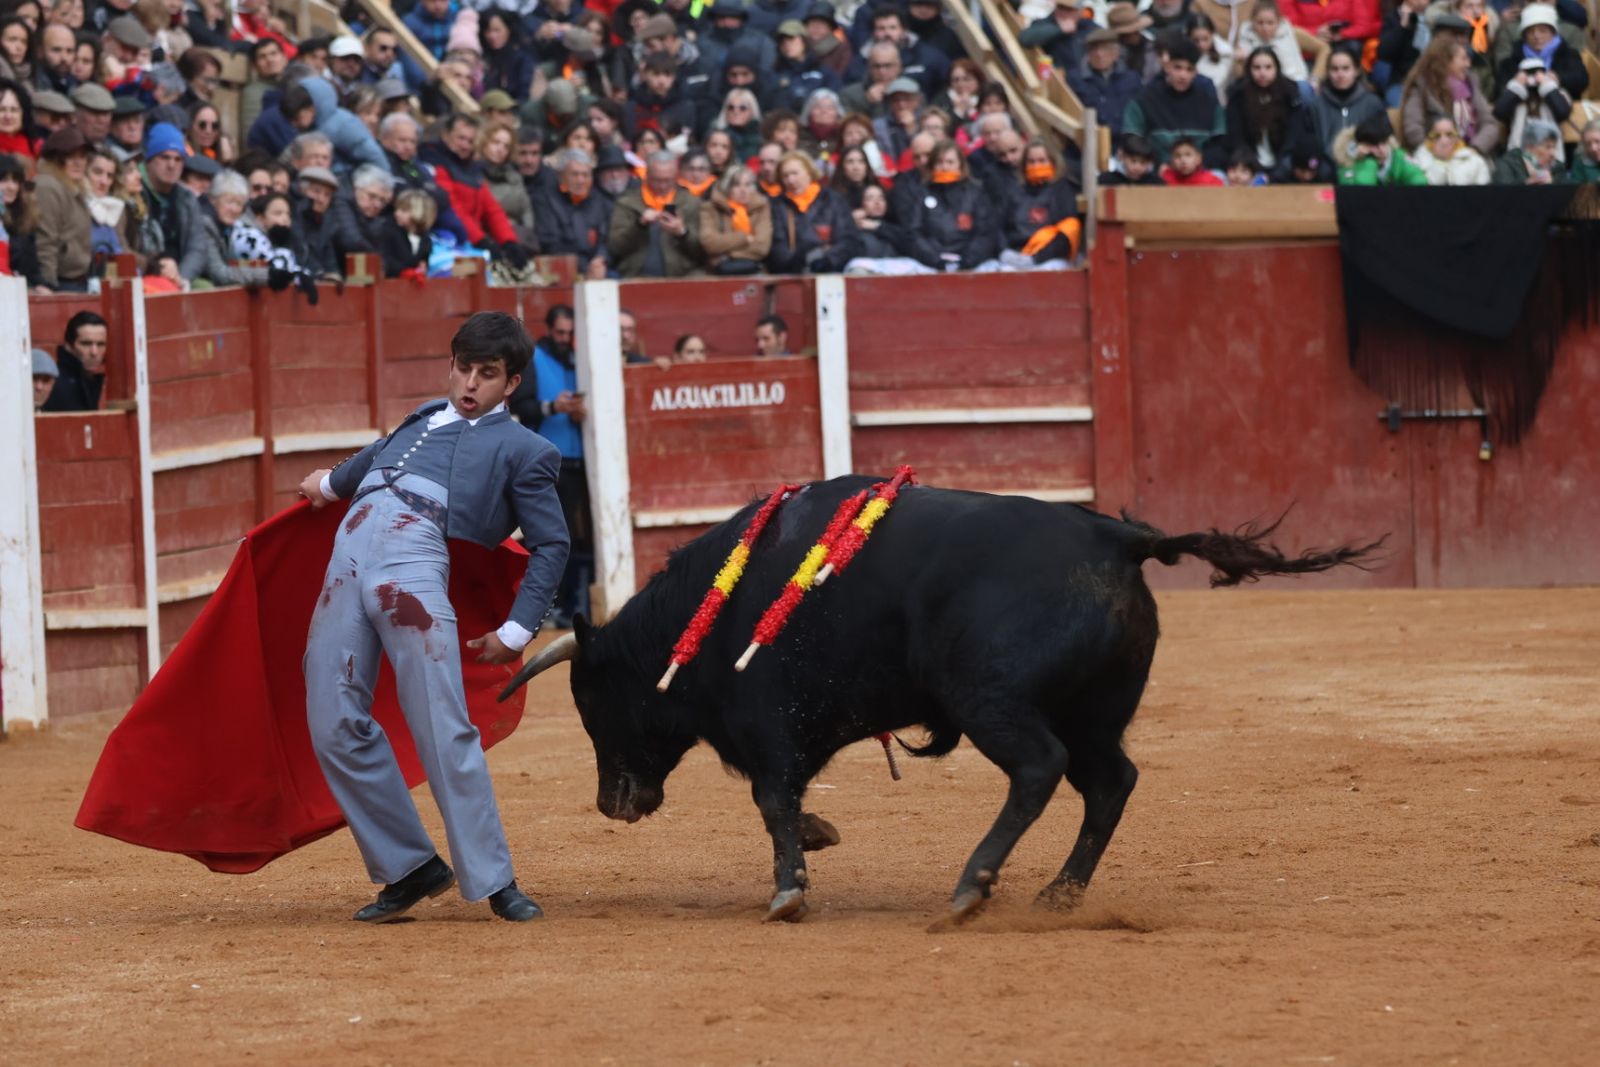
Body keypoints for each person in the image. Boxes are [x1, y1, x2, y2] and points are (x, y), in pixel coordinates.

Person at [296, 311, 565, 925]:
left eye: (487, 374)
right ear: (451, 365)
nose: (470, 383)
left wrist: (517, 630)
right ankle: (409, 867)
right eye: (463, 368)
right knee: (331, 719)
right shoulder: (422, 415)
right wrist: (330, 484)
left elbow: (552, 544)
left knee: (441, 723)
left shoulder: (528, 450)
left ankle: (495, 879)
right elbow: (376, 457)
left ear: (511, 383)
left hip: (414, 565)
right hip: (346, 561)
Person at [506, 304, 589, 629]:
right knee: (549, 538)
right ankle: (538, 608)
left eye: (569, 333)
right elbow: (522, 405)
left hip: (579, 462)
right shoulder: (535, 359)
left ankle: (566, 606)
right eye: (560, 332)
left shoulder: (578, 359)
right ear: (549, 330)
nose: (565, 338)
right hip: (547, 463)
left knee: (572, 539)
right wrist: (554, 407)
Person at [421, 112, 528, 266]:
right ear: (446, 135)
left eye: (470, 141)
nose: (465, 145)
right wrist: (480, 240)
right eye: (461, 138)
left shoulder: (471, 168)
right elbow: (453, 207)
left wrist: (508, 241)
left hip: (470, 241)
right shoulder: (435, 163)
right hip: (448, 241)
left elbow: (492, 209)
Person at [1122, 35, 1225, 163]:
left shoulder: (1208, 97)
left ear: (1196, 72)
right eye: (1177, 67)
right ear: (1167, 67)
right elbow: (1133, 138)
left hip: (1201, 168)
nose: (1183, 75)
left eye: (1189, 69)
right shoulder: (1146, 97)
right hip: (1158, 168)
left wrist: (1197, 165)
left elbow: (1219, 143)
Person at [1221, 46, 1318, 180]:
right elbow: (1237, 136)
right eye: (1257, 68)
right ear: (1249, 69)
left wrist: (1279, 166)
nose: (1262, 73)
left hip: (1283, 157)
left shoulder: (1290, 93)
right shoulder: (1238, 94)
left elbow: (1294, 135)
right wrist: (1251, 163)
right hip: (1248, 158)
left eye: (1268, 67)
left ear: (1277, 69)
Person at [607, 149, 703, 278]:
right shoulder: (627, 202)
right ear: (646, 175)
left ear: (676, 177)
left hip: (682, 278)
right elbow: (615, 247)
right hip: (636, 277)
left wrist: (682, 232)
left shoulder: (690, 202)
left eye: (668, 180)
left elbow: (702, 252)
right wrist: (639, 225)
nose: (662, 186)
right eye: (657, 180)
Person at [1399, 37, 1500, 155]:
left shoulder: (1471, 85)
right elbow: (1413, 129)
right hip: (1435, 157)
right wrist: (1435, 153)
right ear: (1445, 62)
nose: (1468, 64)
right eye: (1463, 59)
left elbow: (1490, 124)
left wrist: (1474, 149)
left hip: (1473, 156)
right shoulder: (1421, 87)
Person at [765, 149, 859, 274]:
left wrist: (828, 260)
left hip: (831, 271)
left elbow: (848, 239)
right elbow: (778, 247)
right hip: (794, 273)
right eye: (785, 175)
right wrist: (797, 262)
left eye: (795, 173)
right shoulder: (777, 205)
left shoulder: (833, 199)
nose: (791, 180)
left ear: (809, 172)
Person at [32, 125, 93, 291]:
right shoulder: (47, 186)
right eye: (70, 156)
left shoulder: (74, 187)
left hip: (77, 280)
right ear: (55, 159)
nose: (78, 162)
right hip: (59, 283)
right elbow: (45, 242)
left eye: (82, 156)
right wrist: (48, 285)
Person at [534, 148, 611, 278]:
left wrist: (600, 259)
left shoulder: (598, 201)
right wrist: (585, 268)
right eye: (575, 174)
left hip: (595, 270)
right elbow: (550, 244)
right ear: (561, 176)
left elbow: (605, 240)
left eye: (585, 175)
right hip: (561, 272)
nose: (581, 180)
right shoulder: (545, 200)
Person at [1493, 55, 1574, 164]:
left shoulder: (1556, 92)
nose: (1532, 77)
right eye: (1528, 73)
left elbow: (1563, 112)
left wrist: (1547, 86)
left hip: (1551, 156)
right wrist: (1517, 86)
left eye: (1536, 72)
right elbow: (1499, 112)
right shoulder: (1514, 95)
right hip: (1520, 155)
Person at [1309, 47, 1386, 159]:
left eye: (1346, 68)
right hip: (1326, 164)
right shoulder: (1316, 105)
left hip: (1364, 162)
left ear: (1356, 71)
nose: (1340, 74)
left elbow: (1384, 141)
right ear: (1328, 72)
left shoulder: (1373, 103)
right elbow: (1309, 146)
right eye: (1334, 69)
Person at [1069, 29, 1142, 137]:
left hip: (1125, 140)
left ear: (1116, 53)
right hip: (1090, 139)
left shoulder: (1132, 79)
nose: (1099, 54)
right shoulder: (1075, 79)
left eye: (1105, 48)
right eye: (1094, 49)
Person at [700, 164, 772, 275]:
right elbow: (709, 243)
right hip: (718, 273)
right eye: (737, 185)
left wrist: (727, 255)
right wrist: (745, 238)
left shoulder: (761, 207)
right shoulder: (711, 208)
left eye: (748, 185)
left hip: (753, 269)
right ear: (727, 187)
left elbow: (761, 247)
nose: (743, 190)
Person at [1335, 112, 1429, 184]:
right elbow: (1363, 191)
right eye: (1374, 145)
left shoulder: (1398, 158)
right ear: (1361, 146)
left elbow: (1420, 181)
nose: (1382, 150)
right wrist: (1368, 161)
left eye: (1383, 143)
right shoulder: (1348, 163)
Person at [41, 309, 107, 411]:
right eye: (86, 344)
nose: (94, 352)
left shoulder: (93, 381)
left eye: (100, 344)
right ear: (68, 346)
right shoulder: (54, 384)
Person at [1018, 0, 1099, 76]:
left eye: (1069, 10)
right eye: (1061, 7)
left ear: (1080, 12)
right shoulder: (1046, 23)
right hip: (1054, 79)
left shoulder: (1089, 28)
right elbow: (1025, 38)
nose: (1063, 12)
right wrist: (1059, 29)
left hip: (1083, 80)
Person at [1409, 116, 1491, 184]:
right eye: (1437, 136)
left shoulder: (1475, 161)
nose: (1444, 141)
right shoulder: (1419, 160)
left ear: (1457, 136)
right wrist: (1439, 160)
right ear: (1429, 139)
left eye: (1449, 134)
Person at [1492, 117, 1567, 184]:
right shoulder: (1507, 165)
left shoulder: (1558, 168)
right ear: (1529, 147)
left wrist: (1552, 187)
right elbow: (1501, 193)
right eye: (1547, 147)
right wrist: (1529, 183)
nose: (1553, 154)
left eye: (1554, 147)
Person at [1160, 134, 1225, 184]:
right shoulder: (1166, 179)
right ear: (1172, 161)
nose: (1183, 160)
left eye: (1188, 155)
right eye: (1177, 156)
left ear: (1198, 159)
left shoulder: (1211, 181)